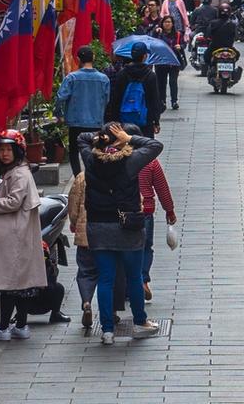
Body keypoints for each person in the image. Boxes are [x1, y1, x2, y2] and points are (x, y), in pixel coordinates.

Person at [80, 123, 164, 344]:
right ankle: (139, 322)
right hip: (127, 227)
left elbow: (81, 137)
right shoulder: (130, 162)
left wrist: (100, 137)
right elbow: (155, 145)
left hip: (98, 227)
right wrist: (128, 138)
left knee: (105, 279)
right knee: (134, 276)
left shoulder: (90, 160)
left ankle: (107, 331)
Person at [0, 130, 55, 341]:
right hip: (19, 235)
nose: (4, 154)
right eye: (1, 149)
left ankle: (4, 328)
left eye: (8, 149)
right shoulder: (17, 171)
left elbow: (13, 202)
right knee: (21, 286)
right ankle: (20, 326)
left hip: (16, 236)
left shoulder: (19, 174)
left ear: (18, 151)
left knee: (9, 285)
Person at [124, 123, 176, 302]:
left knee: (125, 249)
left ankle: (128, 284)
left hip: (123, 213)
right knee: (145, 247)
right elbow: (162, 188)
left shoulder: (116, 160)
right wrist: (169, 210)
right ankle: (143, 280)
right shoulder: (150, 162)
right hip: (145, 211)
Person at [54, 46, 110, 176]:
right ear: (93, 58)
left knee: (74, 151)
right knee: (95, 150)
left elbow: (60, 97)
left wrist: (59, 114)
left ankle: (78, 177)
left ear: (78, 59)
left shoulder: (71, 78)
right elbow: (107, 100)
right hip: (95, 122)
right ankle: (93, 176)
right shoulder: (103, 79)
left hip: (75, 122)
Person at [106, 41, 163, 136]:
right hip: (145, 120)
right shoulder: (150, 75)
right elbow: (155, 100)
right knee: (145, 147)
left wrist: (114, 119)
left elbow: (116, 98)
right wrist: (156, 121)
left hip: (124, 120)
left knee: (127, 147)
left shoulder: (122, 74)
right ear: (145, 56)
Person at [67, 171, 99, 329]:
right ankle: (111, 311)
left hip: (85, 233)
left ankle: (86, 302)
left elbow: (73, 203)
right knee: (108, 274)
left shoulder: (83, 176)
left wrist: (74, 221)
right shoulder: (117, 169)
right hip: (108, 235)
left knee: (85, 271)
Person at [151, 16, 183, 110]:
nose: (167, 24)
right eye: (165, 22)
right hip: (161, 61)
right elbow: (152, 42)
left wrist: (180, 46)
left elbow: (183, 44)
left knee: (173, 82)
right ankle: (162, 101)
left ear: (172, 24)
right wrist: (156, 33)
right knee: (161, 82)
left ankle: (174, 101)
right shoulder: (159, 34)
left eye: (169, 22)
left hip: (173, 62)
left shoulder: (177, 34)